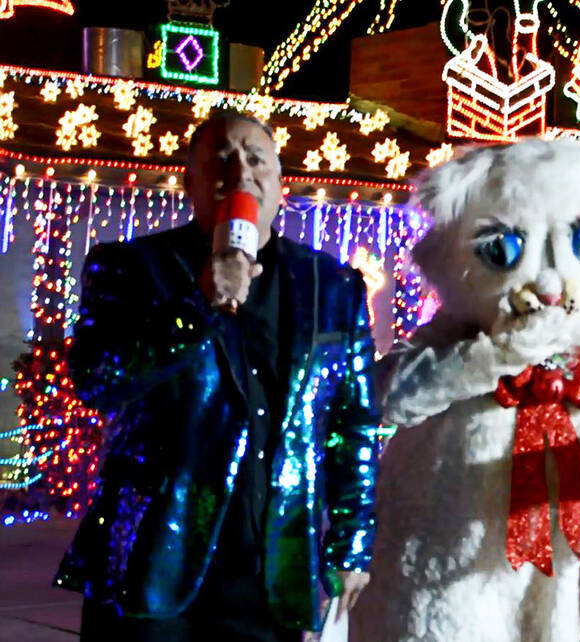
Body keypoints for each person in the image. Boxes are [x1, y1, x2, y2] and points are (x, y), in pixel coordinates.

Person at [54, 111, 379, 641]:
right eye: (221, 157)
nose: (241, 169)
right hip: (150, 564)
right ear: (192, 182)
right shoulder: (128, 267)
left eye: (256, 158)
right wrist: (198, 303)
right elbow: (99, 382)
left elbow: (355, 422)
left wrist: (351, 542)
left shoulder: (334, 285)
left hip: (273, 567)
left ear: (280, 183)